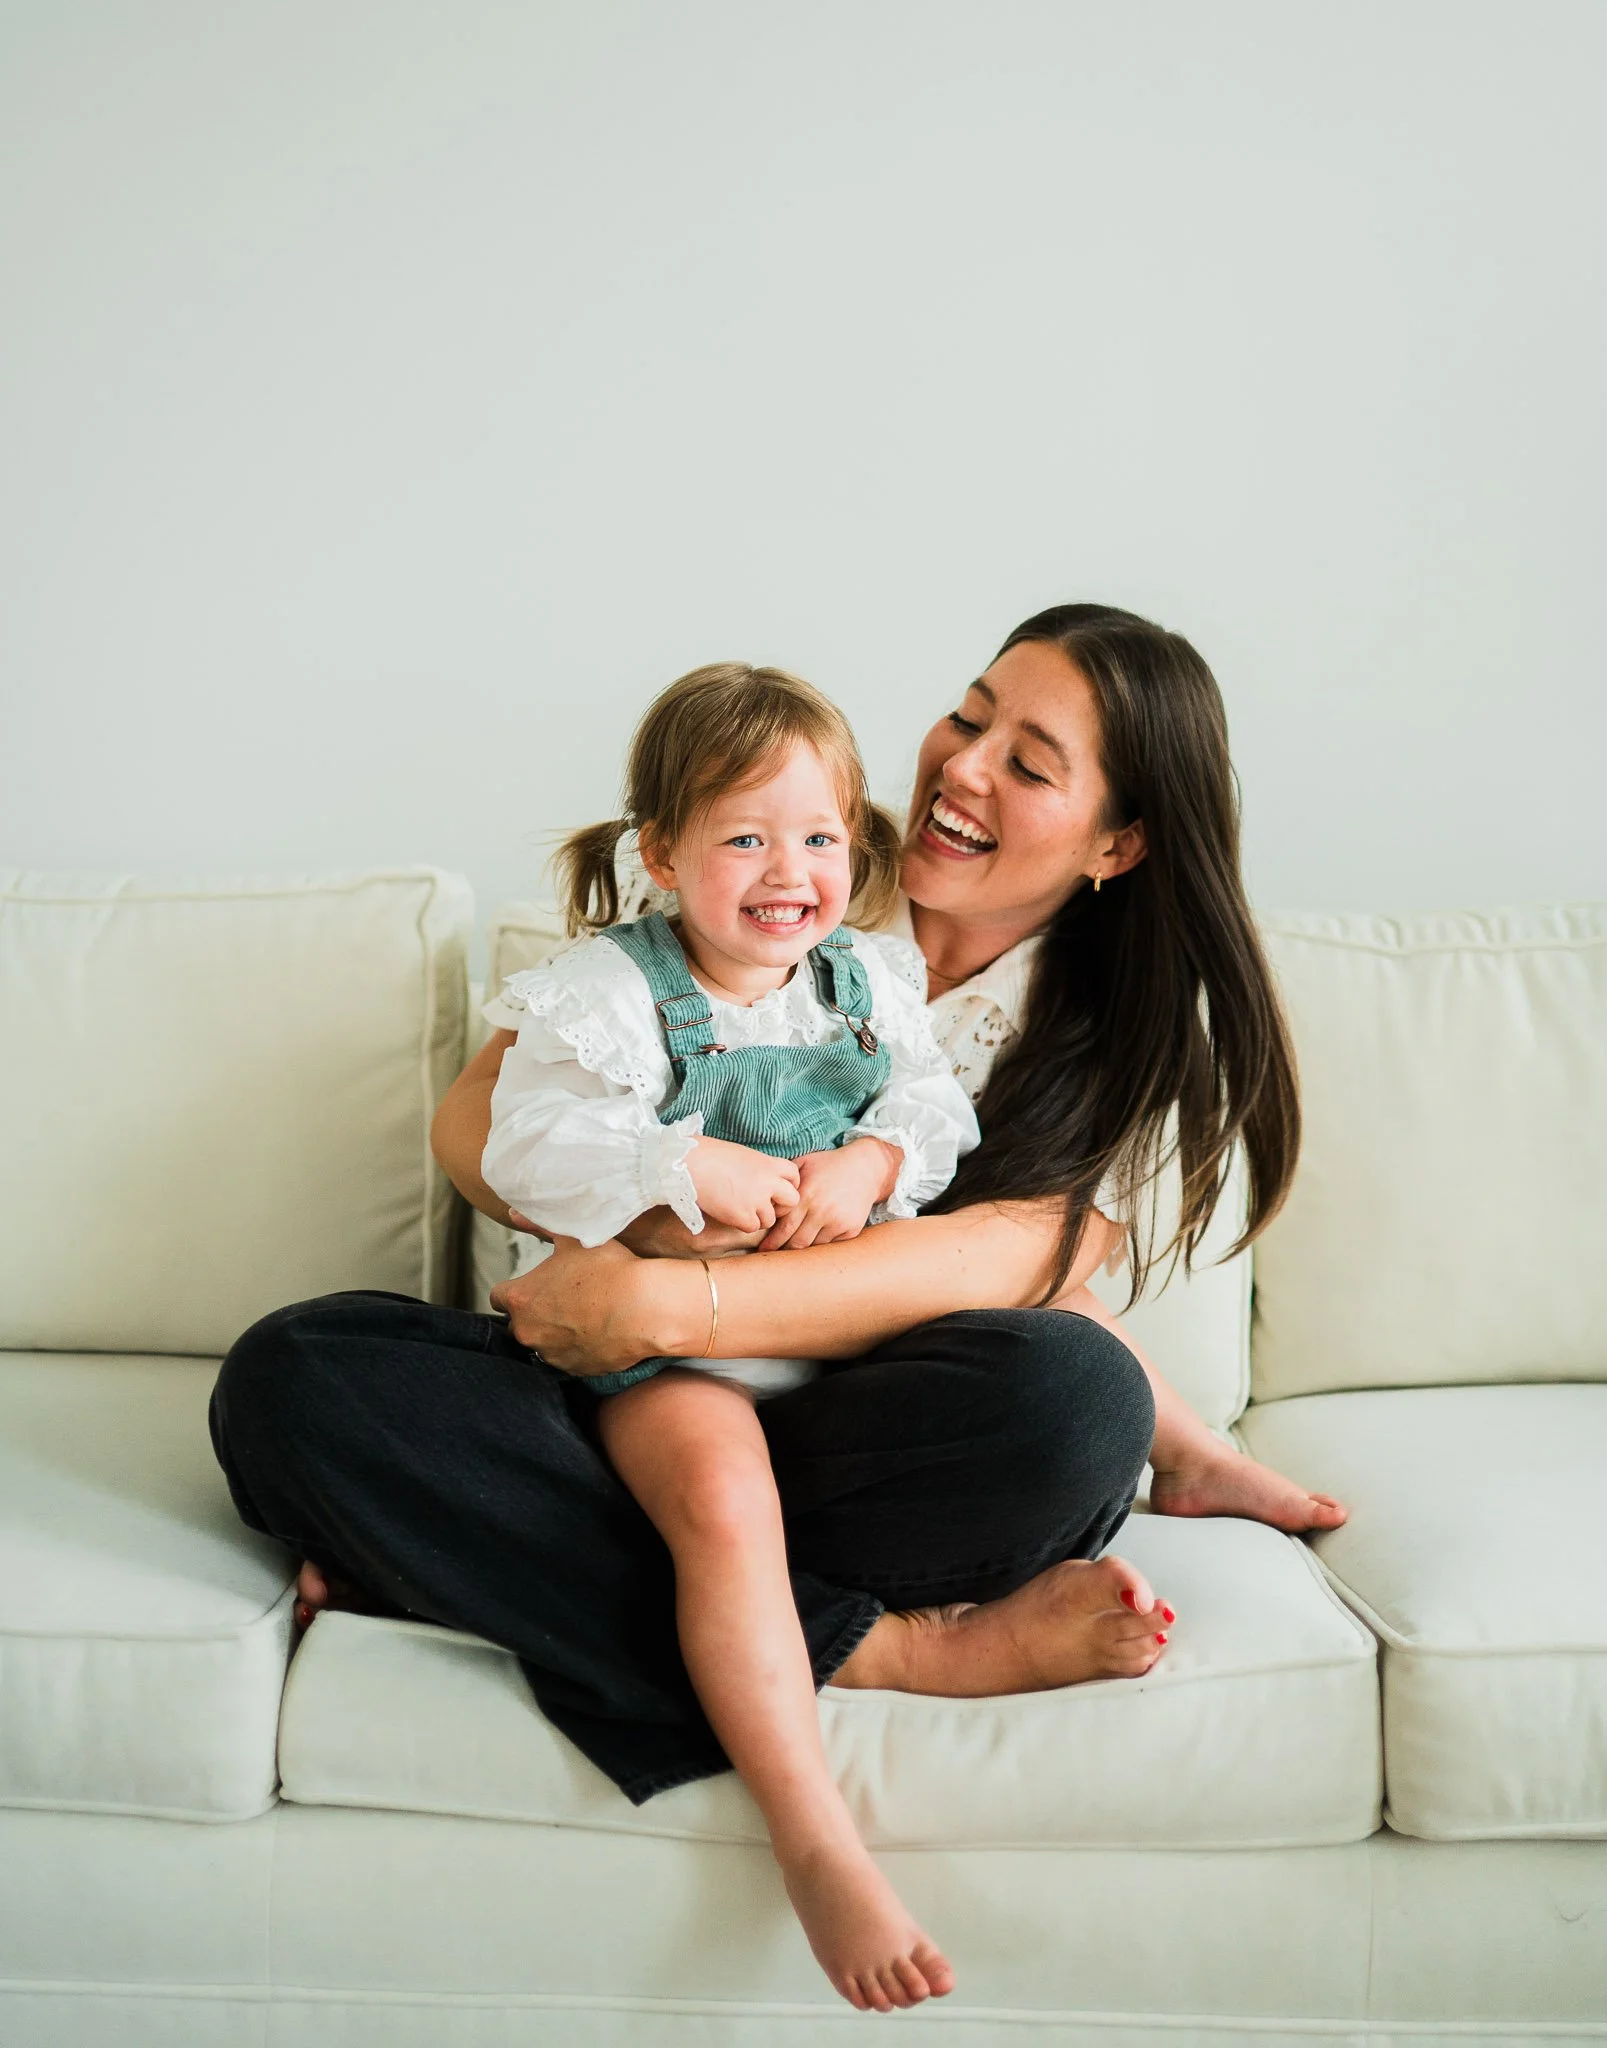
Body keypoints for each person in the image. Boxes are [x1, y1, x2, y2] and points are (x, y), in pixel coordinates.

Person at [211, 602, 1343, 2018]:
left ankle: (473, 1564)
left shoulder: (1102, 1027)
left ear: (1117, 843)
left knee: (1074, 1400)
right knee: (295, 1375)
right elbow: (475, 1127)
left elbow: (1002, 1261)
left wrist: (672, 1301)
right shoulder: (772, 842)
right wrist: (652, 1200)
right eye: (971, 711)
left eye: (1031, 759)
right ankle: (885, 1645)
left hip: (834, 1421)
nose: (963, 765)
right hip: (610, 1402)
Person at [479, 661, 1046, 2005]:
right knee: (722, 1502)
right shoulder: (607, 989)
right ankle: (814, 1841)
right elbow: (524, 1143)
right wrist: (681, 1165)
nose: (786, 869)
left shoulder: (864, 979)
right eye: (743, 836)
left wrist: (865, 1163)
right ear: (663, 856)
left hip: (827, 1349)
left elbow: (927, 1116)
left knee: (1059, 1355)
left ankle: (1189, 1455)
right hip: (660, 1354)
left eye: (816, 834)